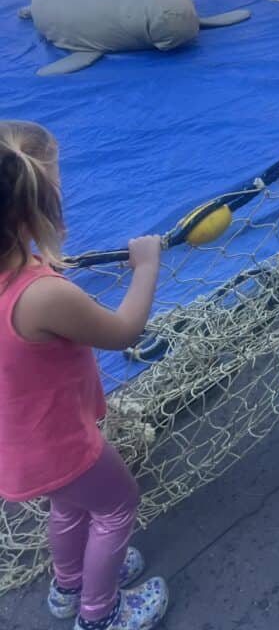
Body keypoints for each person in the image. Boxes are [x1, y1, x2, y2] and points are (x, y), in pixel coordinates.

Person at [0, 120, 169, 630]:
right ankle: (100, 613)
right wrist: (145, 267)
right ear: (41, 205)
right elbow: (121, 332)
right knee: (117, 506)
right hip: (62, 443)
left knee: (71, 509)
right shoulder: (42, 294)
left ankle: (69, 583)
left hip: (20, 443)